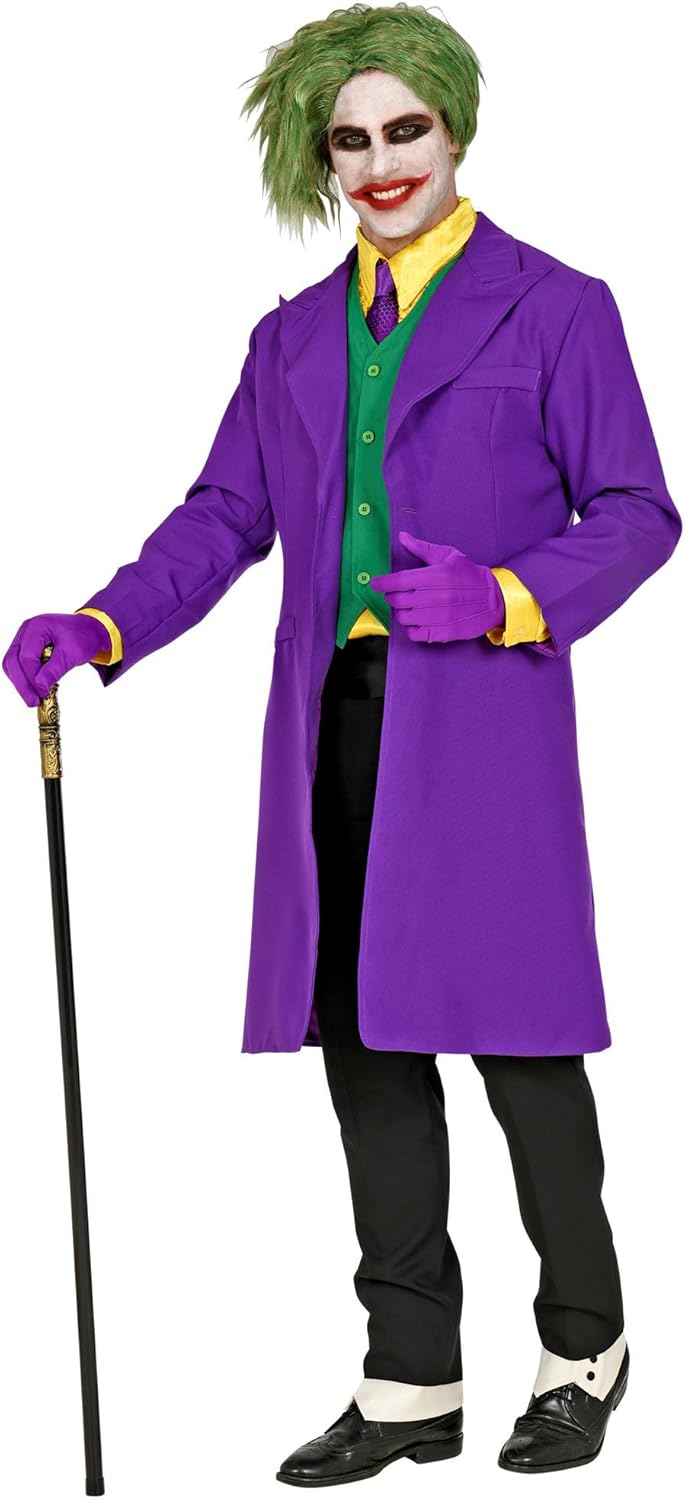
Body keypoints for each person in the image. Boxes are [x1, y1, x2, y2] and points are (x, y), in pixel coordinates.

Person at [4, 4, 681, 1485]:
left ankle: (586, 1346)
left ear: (455, 128)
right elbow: (224, 517)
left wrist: (506, 595)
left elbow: (638, 510)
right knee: (366, 1046)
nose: (381, 163)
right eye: (350, 140)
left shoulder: (556, 307)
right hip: (335, 720)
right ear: (323, 159)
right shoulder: (293, 339)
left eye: (405, 130)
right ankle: (410, 1376)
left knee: (519, 1043)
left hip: (485, 722)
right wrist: (106, 623)